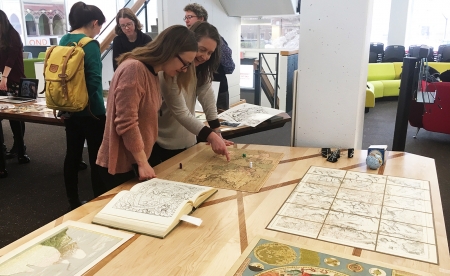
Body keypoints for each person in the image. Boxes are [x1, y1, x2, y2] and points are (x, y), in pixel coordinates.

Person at [96, 25, 198, 188]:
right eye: (185, 63)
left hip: (135, 162)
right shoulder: (135, 69)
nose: (184, 70)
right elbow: (126, 122)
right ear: (170, 51)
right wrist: (142, 162)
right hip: (122, 165)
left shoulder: (153, 73)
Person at [149, 21, 232, 167]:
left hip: (188, 138)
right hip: (165, 141)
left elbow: (207, 95)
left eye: (210, 53)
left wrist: (216, 131)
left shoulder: (200, 68)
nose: (205, 57)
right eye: (202, 50)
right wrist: (211, 136)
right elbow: (180, 112)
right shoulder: (171, 68)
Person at [59, 2, 107, 210]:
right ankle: (99, 197)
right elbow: (94, 80)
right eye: (100, 27)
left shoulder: (64, 39)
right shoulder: (90, 44)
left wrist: (70, 104)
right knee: (97, 156)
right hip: (92, 111)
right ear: (94, 23)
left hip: (69, 107)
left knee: (72, 154)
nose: (99, 32)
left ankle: (72, 199)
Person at [183, 3, 235, 110]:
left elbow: (229, 66)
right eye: (185, 18)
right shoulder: (184, 39)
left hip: (217, 87)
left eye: (190, 17)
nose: (186, 21)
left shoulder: (216, 39)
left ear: (201, 18)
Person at [0, 9, 30, 179]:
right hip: (3, 80)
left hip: (15, 80)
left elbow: (11, 58)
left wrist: (4, 77)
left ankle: (20, 147)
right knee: (5, 113)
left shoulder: (12, 35)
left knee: (16, 116)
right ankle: (9, 148)